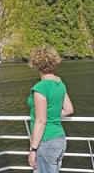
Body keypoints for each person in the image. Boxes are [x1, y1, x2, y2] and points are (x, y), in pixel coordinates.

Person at [27, 45, 74, 173]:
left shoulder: (40, 88)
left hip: (46, 141)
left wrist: (33, 150)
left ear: (36, 64)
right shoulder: (59, 83)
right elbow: (69, 109)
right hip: (60, 139)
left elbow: (41, 121)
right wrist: (52, 116)